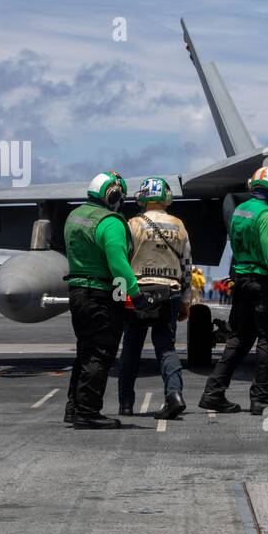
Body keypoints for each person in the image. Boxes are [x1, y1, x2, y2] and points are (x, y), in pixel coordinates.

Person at [199, 167, 268, 415]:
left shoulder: (240, 211)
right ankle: (261, 398)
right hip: (262, 284)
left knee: (238, 339)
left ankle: (213, 393)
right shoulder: (267, 217)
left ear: (252, 185)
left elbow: (235, 244)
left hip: (241, 281)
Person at [62, 170, 144, 429]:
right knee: (100, 354)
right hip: (101, 295)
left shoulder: (75, 216)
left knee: (84, 352)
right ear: (114, 195)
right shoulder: (111, 222)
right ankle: (88, 412)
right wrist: (136, 294)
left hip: (77, 292)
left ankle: (74, 407)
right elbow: (118, 264)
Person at [117, 177, 192, 420]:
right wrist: (186, 300)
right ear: (167, 198)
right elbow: (187, 265)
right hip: (169, 292)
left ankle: (126, 404)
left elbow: (122, 260)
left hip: (137, 293)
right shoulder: (179, 225)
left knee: (131, 348)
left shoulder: (132, 224)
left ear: (142, 197)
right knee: (166, 348)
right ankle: (174, 395)